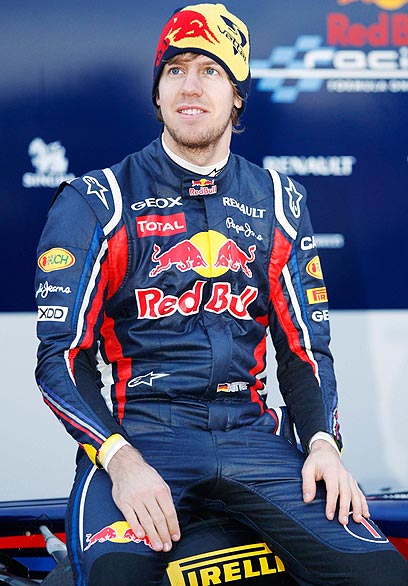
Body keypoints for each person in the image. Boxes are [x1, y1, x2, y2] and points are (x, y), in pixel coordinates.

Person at [35, 3, 408, 585]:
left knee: (382, 574)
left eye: (210, 70)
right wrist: (120, 460)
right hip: (142, 436)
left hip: (253, 438)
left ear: (237, 96)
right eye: (175, 69)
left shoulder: (279, 201)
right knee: (116, 578)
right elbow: (61, 356)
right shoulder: (97, 201)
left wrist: (322, 444)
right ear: (157, 92)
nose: (190, 86)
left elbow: (305, 350)